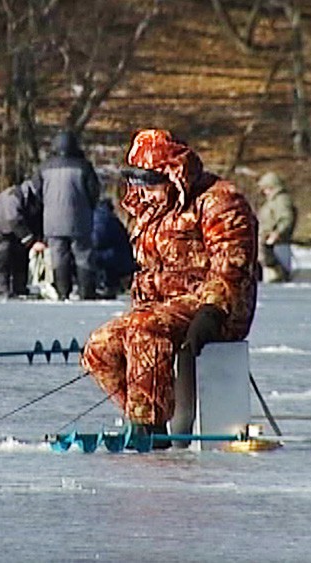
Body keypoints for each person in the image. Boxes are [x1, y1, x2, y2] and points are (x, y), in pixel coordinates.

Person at [81, 129, 258, 444]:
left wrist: (212, 311)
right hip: (161, 310)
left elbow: (232, 265)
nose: (140, 190)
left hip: (216, 309)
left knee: (145, 328)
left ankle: (148, 430)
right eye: (134, 180)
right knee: (100, 347)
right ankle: (148, 422)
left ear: (172, 175)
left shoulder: (219, 201)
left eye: (148, 181)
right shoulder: (150, 210)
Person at [31, 130, 101, 300]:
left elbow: (36, 193)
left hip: (52, 222)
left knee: (58, 257)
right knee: (83, 256)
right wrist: (89, 207)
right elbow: (94, 191)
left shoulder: (44, 167)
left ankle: (62, 292)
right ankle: (86, 292)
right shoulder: (83, 166)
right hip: (80, 219)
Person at [0, 179, 44, 297]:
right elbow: (13, 219)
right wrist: (31, 241)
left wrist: (39, 239)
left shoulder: (35, 202)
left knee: (21, 254)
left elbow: (36, 222)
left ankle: (19, 287)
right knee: (4, 254)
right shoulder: (13, 196)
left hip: (10, 231)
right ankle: (1, 288)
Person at [90, 197, 137, 299]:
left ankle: (104, 285)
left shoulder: (95, 217)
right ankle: (111, 285)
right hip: (119, 257)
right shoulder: (111, 219)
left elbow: (97, 240)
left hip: (109, 256)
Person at [256, 172, 297, 283]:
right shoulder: (273, 201)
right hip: (268, 245)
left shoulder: (281, 200)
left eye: (265, 188)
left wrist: (277, 233)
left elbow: (287, 218)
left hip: (277, 245)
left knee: (276, 277)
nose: (264, 192)